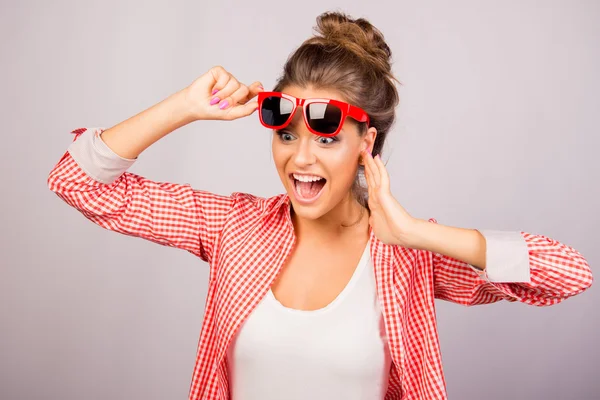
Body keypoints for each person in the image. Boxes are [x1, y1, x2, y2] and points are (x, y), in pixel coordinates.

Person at [47, 10, 592, 400]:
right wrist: (185, 107)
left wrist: (419, 234)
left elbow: (568, 273)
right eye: (286, 134)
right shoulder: (234, 228)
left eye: (327, 138)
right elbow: (79, 181)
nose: (301, 158)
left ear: (366, 144)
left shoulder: (406, 253)